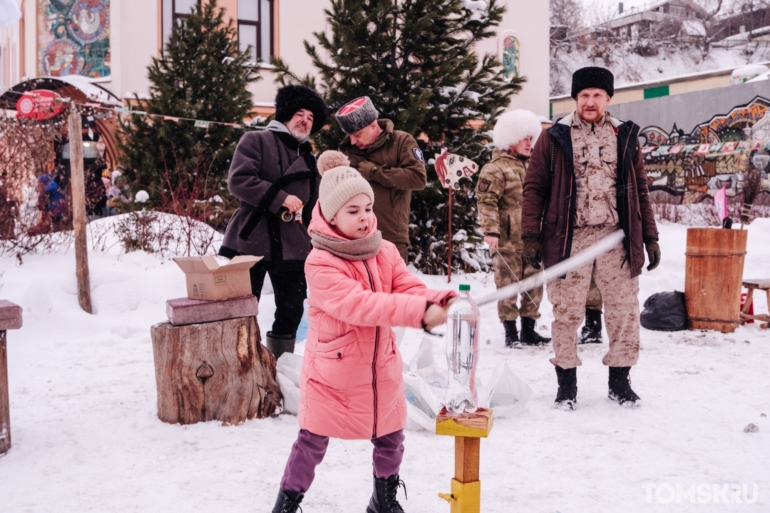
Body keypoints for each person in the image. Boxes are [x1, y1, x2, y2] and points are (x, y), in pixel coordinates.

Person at [271, 150, 456, 513]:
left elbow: (408, 287)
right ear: (331, 215)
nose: (364, 218)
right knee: (311, 442)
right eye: (353, 212)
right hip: (333, 371)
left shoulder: (383, 250)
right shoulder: (320, 261)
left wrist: (444, 299)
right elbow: (362, 306)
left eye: (367, 208)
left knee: (391, 438)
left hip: (379, 367)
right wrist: (420, 313)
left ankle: (383, 501)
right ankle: (287, 504)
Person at [521, 66, 661, 410]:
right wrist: (530, 236)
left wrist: (651, 237)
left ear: (609, 99)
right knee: (566, 311)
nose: (590, 101)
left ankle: (620, 381)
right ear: (575, 99)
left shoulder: (624, 135)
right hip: (569, 239)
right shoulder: (554, 137)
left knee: (624, 310)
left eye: (597, 95)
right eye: (584, 95)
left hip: (616, 238)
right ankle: (566, 385)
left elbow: (641, 189)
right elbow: (534, 188)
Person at [219, 85, 327, 360]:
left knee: (292, 310)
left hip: (293, 243)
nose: (305, 120)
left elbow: (315, 205)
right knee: (241, 308)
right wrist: (280, 198)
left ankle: (280, 368)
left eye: (311, 118)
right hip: (252, 237)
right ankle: (241, 367)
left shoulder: (311, 159)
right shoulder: (255, 140)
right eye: (300, 114)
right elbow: (239, 181)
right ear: (286, 115)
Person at [476, 109, 551, 348]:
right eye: (523, 138)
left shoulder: (536, 166)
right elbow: (486, 201)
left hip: (533, 240)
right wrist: (491, 231)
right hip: (507, 241)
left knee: (534, 284)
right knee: (507, 286)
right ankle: (510, 333)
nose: (529, 143)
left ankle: (529, 330)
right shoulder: (494, 168)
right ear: (510, 140)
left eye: (531, 137)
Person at [337, 96, 427, 262]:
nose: (352, 141)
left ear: (373, 126)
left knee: (391, 287)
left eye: (357, 134)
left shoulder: (402, 141)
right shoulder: (347, 151)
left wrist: (375, 172)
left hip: (391, 237)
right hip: (353, 238)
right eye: (350, 135)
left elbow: (418, 178)